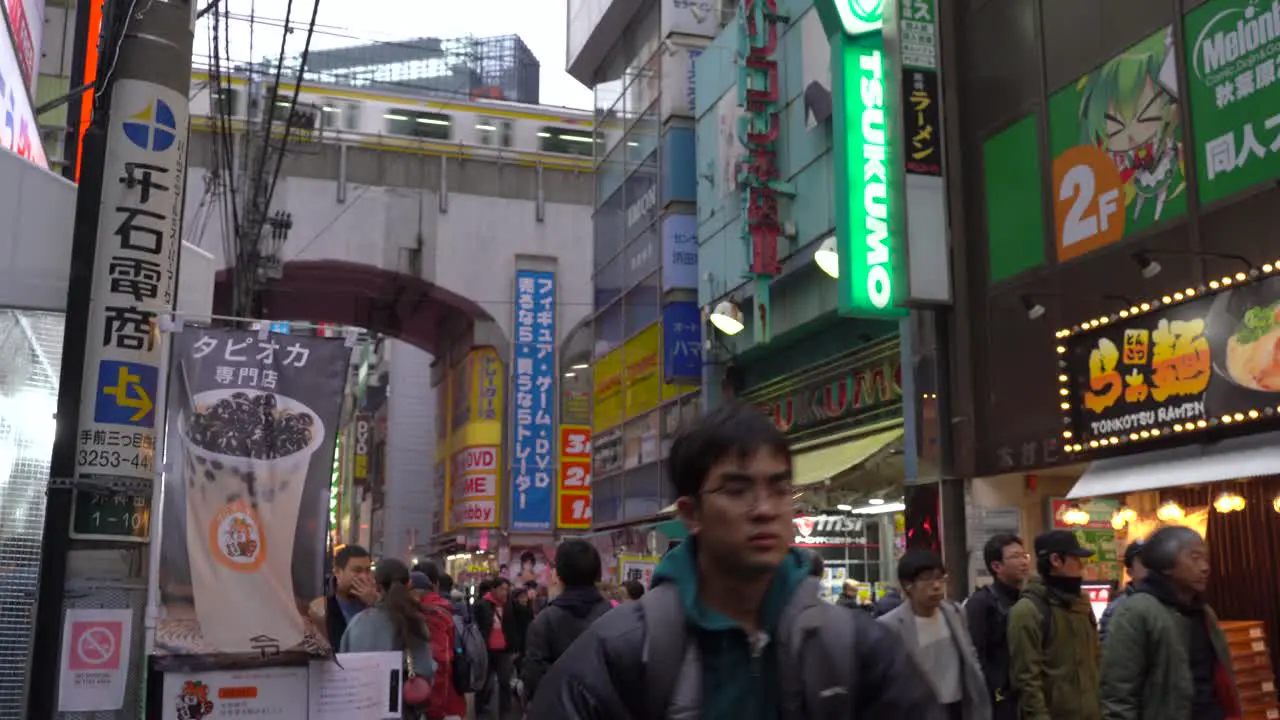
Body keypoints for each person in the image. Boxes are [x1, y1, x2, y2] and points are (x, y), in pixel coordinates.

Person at [527, 401, 935, 719]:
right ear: (691, 513)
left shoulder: (855, 649)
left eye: (778, 489)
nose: (764, 509)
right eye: (737, 490)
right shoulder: (621, 654)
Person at [1100, 527, 1241, 720]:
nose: (1204, 567)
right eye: (1194, 557)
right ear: (1166, 565)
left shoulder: (1203, 612)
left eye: (1205, 559)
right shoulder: (1136, 612)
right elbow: (1118, 694)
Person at [879, 550, 990, 720]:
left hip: (958, 707)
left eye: (940, 577)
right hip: (920, 710)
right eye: (927, 578)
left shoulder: (954, 612)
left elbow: (970, 657)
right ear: (908, 585)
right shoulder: (889, 626)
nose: (937, 585)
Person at [1008, 530, 1101, 720]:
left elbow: (1097, 662)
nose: (1081, 566)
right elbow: (1027, 681)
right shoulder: (1028, 611)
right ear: (1056, 560)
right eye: (1076, 559)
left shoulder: (1081, 604)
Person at [340, 558, 435, 718]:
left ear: (377, 586)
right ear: (409, 584)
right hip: (401, 712)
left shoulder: (357, 623)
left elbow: (343, 667)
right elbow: (426, 670)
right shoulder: (413, 622)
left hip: (363, 710)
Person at [521, 538, 614, 701]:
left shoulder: (544, 621)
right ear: (598, 573)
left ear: (558, 575)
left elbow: (533, 679)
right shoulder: (615, 616)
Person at [965, 533, 1031, 720]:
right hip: (999, 702)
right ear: (996, 566)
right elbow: (976, 657)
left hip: (1024, 696)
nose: (1023, 562)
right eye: (1015, 557)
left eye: (1024, 556)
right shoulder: (981, 604)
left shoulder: (1028, 599)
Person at [410, 564, 467, 720]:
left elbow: (440, 664)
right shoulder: (442, 610)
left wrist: (433, 711)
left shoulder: (430, 614)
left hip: (440, 706)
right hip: (448, 702)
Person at [310, 544, 379, 647]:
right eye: (357, 571)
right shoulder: (323, 608)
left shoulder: (378, 603)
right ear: (338, 572)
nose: (364, 577)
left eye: (367, 571)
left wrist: (377, 604)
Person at [474, 576, 513, 719]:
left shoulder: (509, 605)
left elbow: (512, 627)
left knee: (505, 682)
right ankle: (481, 711)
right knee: (484, 683)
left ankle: (506, 712)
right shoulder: (482, 605)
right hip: (486, 650)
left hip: (503, 650)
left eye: (507, 590)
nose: (505, 593)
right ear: (494, 589)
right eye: (502, 589)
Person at [1098, 540, 1146, 643]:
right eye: (1144, 562)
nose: (1150, 567)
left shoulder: (1167, 602)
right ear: (1130, 572)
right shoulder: (1117, 609)